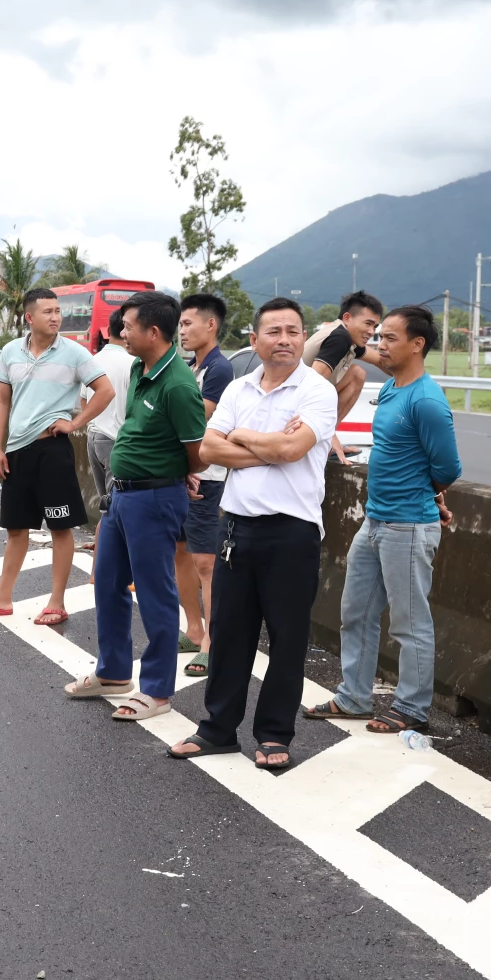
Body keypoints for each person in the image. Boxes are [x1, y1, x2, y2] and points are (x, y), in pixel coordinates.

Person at [166, 298, 336, 771]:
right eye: (274, 331)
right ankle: (217, 729)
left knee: (287, 639)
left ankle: (274, 734)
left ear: (303, 338)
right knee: (229, 632)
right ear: (254, 339)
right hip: (236, 528)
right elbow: (207, 448)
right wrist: (270, 445)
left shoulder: (317, 392)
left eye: (294, 331)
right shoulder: (239, 389)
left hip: (293, 532)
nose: (285, 339)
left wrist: (241, 437)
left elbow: (293, 448)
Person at [306, 305, 461, 735]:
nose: (380, 345)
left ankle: (411, 707)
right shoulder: (393, 388)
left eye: (390, 338)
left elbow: (447, 467)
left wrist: (427, 493)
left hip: (408, 526)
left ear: (418, 345)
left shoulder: (427, 400)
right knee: (355, 613)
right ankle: (354, 696)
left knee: (410, 623)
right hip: (375, 521)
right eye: (380, 336)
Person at [63, 291, 206, 721]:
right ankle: (112, 673)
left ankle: (158, 690)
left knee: (155, 592)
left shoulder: (178, 384)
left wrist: (178, 472)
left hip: (154, 498)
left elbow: (196, 452)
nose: (121, 333)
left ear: (153, 332)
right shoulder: (143, 370)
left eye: (128, 326)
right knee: (107, 582)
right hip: (122, 496)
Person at [0, 288, 114, 626]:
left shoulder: (74, 353)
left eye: (58, 311)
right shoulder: (10, 352)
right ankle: (2, 598)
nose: (56, 317)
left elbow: (105, 391)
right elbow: (2, 401)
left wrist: (75, 422)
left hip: (52, 450)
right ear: (30, 318)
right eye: (47, 311)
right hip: (16, 451)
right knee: (16, 528)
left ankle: (57, 602)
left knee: (61, 527)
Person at [176, 292, 235, 678]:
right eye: (179, 324)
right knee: (179, 553)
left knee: (206, 563)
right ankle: (193, 629)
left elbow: (197, 418)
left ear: (210, 325)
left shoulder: (219, 369)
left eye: (187, 323)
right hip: (182, 475)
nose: (181, 331)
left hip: (209, 478)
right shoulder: (188, 366)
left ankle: (212, 641)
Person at [304, 292, 384, 459]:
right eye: (368, 323)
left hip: (299, 403)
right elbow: (311, 387)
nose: (371, 331)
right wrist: (329, 436)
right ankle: (324, 439)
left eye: (375, 326)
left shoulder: (347, 336)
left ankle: (324, 437)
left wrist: (413, 374)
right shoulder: (340, 338)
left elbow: (380, 360)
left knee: (357, 373)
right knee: (356, 374)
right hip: (294, 404)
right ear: (347, 318)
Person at [83, 307, 135, 523]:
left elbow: (84, 401)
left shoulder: (92, 359)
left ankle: (102, 551)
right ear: (125, 330)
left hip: (93, 437)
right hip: (116, 441)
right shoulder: (132, 363)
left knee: (106, 505)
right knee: (119, 508)